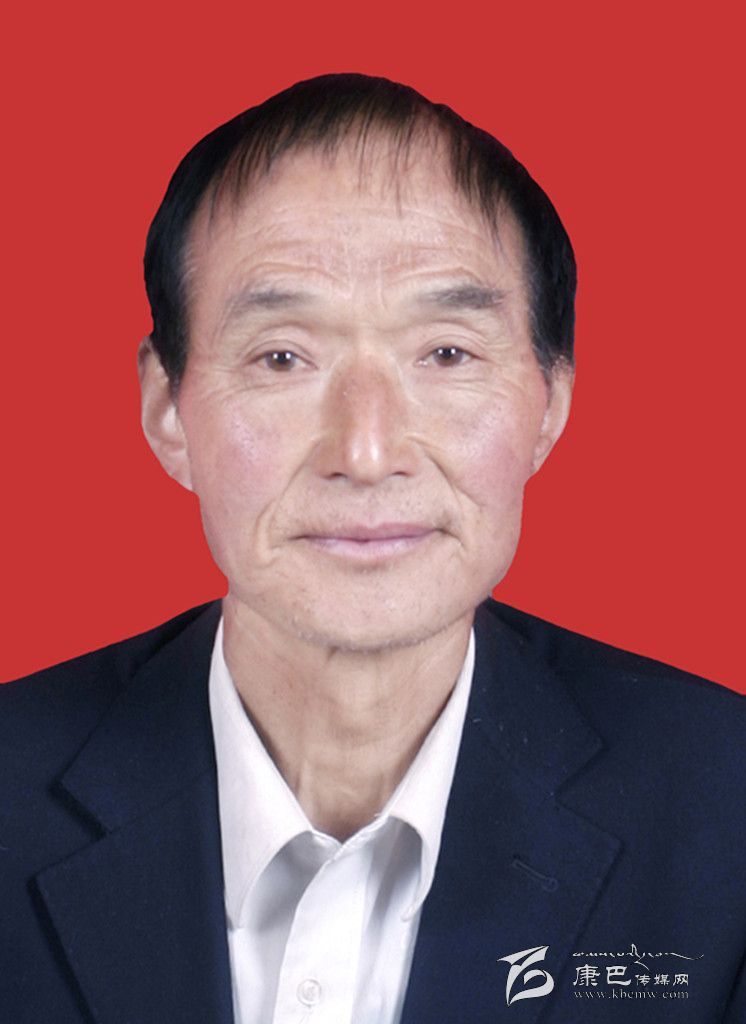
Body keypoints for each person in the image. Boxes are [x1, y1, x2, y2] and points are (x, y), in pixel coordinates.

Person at [1, 73, 744, 1024]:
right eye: (282, 357)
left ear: (550, 402)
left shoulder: (724, 809)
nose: (366, 452)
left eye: (447, 354)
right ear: (167, 409)